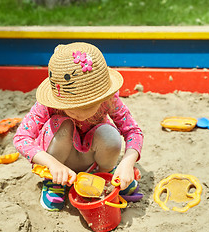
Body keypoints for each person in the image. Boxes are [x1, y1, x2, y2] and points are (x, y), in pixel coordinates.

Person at [13, 42, 143, 211]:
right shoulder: (48, 105)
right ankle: (54, 181)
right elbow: (21, 138)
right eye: (73, 109)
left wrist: (127, 162)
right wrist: (52, 164)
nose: (81, 114)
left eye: (88, 106)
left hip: (90, 158)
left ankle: (106, 173)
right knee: (65, 125)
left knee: (109, 134)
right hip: (59, 160)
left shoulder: (109, 99)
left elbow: (133, 130)